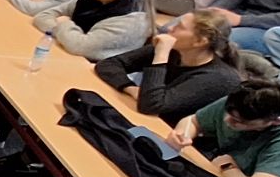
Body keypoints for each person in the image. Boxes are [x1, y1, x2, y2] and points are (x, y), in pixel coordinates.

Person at [96, 9, 247, 124]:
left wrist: (161, 56)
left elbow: (151, 106)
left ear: (200, 42)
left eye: (179, 27)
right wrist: (130, 88)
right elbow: (108, 64)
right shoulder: (176, 50)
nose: (170, 29)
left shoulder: (218, 78)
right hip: (146, 121)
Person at [33, 0, 151, 61]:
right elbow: (43, 16)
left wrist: (64, 24)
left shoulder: (130, 23)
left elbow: (78, 46)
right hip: (64, 55)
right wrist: (67, 35)